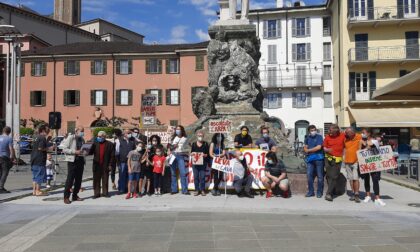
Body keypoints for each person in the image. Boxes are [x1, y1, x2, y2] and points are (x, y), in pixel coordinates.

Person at [360, 129, 386, 206]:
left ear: (368, 133)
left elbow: (376, 151)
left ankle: (377, 197)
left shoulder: (375, 141)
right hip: (365, 163)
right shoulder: (361, 141)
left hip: (374, 163)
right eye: (362, 133)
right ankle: (368, 195)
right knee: (366, 179)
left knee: (375, 180)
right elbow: (359, 151)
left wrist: (368, 146)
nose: (362, 134)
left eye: (363, 133)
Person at [62, 126, 85, 204]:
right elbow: (64, 149)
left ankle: (75, 195)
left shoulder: (82, 139)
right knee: (70, 180)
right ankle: (66, 197)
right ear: (76, 131)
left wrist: (86, 152)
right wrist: (74, 151)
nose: (82, 133)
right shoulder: (71, 138)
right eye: (81, 131)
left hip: (81, 160)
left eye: (83, 131)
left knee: (79, 180)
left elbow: (83, 149)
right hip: (72, 161)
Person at [323, 124, 346, 202]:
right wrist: (326, 150)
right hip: (328, 159)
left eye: (330, 130)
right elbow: (324, 147)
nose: (329, 131)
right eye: (329, 130)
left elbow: (347, 144)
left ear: (336, 130)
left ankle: (328, 193)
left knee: (334, 176)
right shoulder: (327, 136)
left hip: (337, 159)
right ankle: (332, 191)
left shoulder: (342, 136)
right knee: (329, 176)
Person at [90, 131, 115, 198]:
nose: (99, 137)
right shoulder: (95, 143)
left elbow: (112, 156)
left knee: (105, 179)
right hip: (96, 164)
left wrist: (110, 165)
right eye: (98, 136)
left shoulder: (110, 144)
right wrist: (88, 147)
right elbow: (90, 152)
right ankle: (96, 193)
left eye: (100, 136)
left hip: (105, 165)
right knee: (96, 180)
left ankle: (105, 193)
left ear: (104, 136)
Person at [303, 125, 324, 198]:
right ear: (309, 131)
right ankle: (311, 191)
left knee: (320, 176)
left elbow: (319, 147)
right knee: (309, 175)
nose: (313, 131)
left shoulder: (319, 137)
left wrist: (308, 150)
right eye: (311, 130)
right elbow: (305, 145)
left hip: (318, 158)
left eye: (314, 130)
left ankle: (319, 192)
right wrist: (305, 148)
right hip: (310, 159)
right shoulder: (307, 138)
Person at [168, 125, 189, 195]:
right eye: (177, 129)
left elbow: (188, 147)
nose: (177, 130)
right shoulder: (173, 137)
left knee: (183, 173)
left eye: (179, 129)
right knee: (173, 173)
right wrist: (174, 146)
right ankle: (174, 189)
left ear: (182, 130)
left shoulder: (185, 138)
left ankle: (185, 190)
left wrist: (186, 150)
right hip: (173, 155)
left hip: (181, 155)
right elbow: (169, 147)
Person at [343, 127, 362, 203]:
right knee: (350, 179)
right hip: (347, 161)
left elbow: (368, 139)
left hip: (356, 161)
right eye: (346, 132)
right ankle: (353, 193)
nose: (346, 134)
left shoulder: (359, 136)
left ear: (353, 132)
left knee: (355, 178)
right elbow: (344, 148)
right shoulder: (345, 138)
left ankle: (357, 194)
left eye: (348, 132)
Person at [115, 129, 135, 194]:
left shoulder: (132, 141)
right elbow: (117, 152)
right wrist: (118, 162)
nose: (129, 134)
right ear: (124, 134)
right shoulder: (119, 141)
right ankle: (121, 189)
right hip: (122, 161)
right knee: (122, 175)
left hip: (131, 162)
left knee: (129, 176)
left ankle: (127, 188)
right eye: (128, 133)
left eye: (130, 133)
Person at [190, 131, 209, 196]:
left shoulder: (206, 144)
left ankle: (202, 190)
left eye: (201, 136)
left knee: (202, 177)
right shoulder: (194, 144)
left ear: (203, 137)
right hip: (195, 163)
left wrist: (205, 155)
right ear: (197, 136)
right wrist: (192, 154)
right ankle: (196, 190)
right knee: (196, 177)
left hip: (203, 163)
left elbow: (208, 154)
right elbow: (191, 153)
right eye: (199, 136)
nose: (200, 137)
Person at [0, 126, 16, 193]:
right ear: (9, 132)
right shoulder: (9, 138)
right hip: (5, 157)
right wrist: (12, 158)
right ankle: (1, 187)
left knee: (0, 172)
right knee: (4, 172)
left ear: (3, 131)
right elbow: (11, 149)